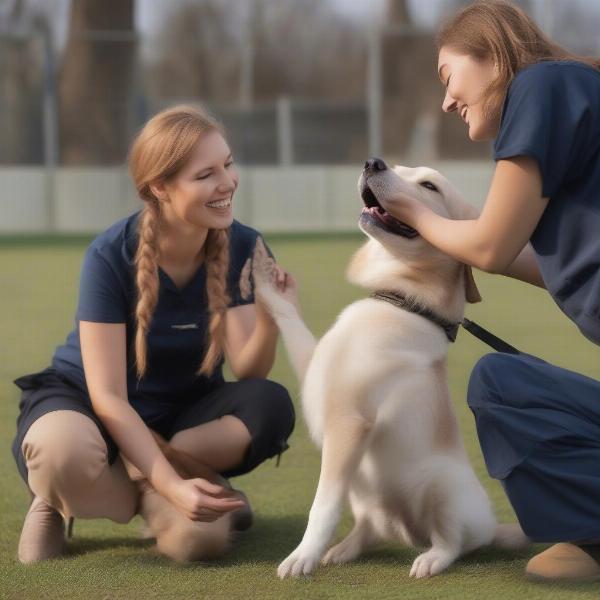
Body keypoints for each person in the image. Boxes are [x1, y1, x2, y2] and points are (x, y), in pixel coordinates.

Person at [12, 105, 296, 564]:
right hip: (93, 409)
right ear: (160, 188)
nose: (227, 183)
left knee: (269, 405)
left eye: (227, 163)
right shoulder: (109, 254)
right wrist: (170, 485)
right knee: (60, 451)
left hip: (181, 414)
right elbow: (108, 398)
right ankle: (56, 495)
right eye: (205, 174)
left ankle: (160, 475)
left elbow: (249, 369)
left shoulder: (244, 244)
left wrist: (269, 317)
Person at [376, 0, 600, 582]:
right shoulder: (566, 93)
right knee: (505, 383)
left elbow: (494, 246)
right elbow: (536, 259)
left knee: (498, 385)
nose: (447, 100)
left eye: (448, 77)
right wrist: (450, 237)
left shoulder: (542, 85)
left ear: (494, 56)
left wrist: (412, 211)